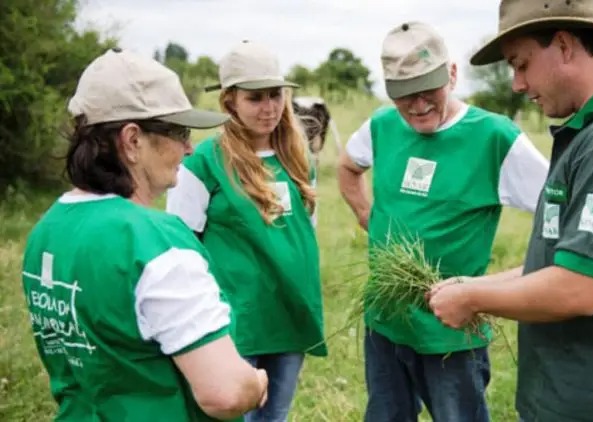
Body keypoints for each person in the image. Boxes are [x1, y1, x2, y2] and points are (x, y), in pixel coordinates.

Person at [427, 1, 593, 421]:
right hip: (573, 396)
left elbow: (578, 288)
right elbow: (562, 261)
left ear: (566, 46)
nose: (517, 83)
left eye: (522, 64)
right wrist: (475, 285)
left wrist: (472, 298)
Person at [20, 48, 268, 422]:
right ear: (132, 141)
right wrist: (255, 381)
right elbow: (225, 393)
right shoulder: (154, 241)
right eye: (179, 132)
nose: (189, 147)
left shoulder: (47, 229)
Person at [338, 21, 550, 422]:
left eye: (427, 90)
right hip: (385, 321)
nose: (417, 105)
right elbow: (348, 168)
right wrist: (372, 221)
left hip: (451, 332)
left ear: (452, 75)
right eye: (404, 96)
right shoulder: (382, 125)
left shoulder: (495, 138)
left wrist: (513, 279)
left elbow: (560, 211)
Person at [165, 40, 326, 422]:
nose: (269, 108)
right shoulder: (205, 162)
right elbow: (181, 246)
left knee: (274, 417)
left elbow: (305, 235)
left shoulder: (298, 158)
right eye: (255, 98)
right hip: (235, 322)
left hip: (289, 313)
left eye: (276, 95)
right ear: (229, 101)